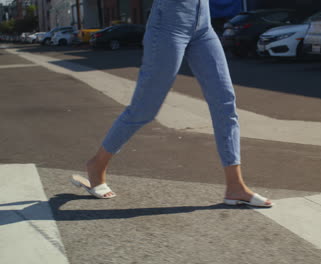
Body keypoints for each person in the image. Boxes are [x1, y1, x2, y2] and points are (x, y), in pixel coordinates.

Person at [71, 0, 273, 207]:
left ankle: (235, 186)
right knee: (145, 107)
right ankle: (97, 165)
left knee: (225, 102)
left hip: (203, 24)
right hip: (168, 23)